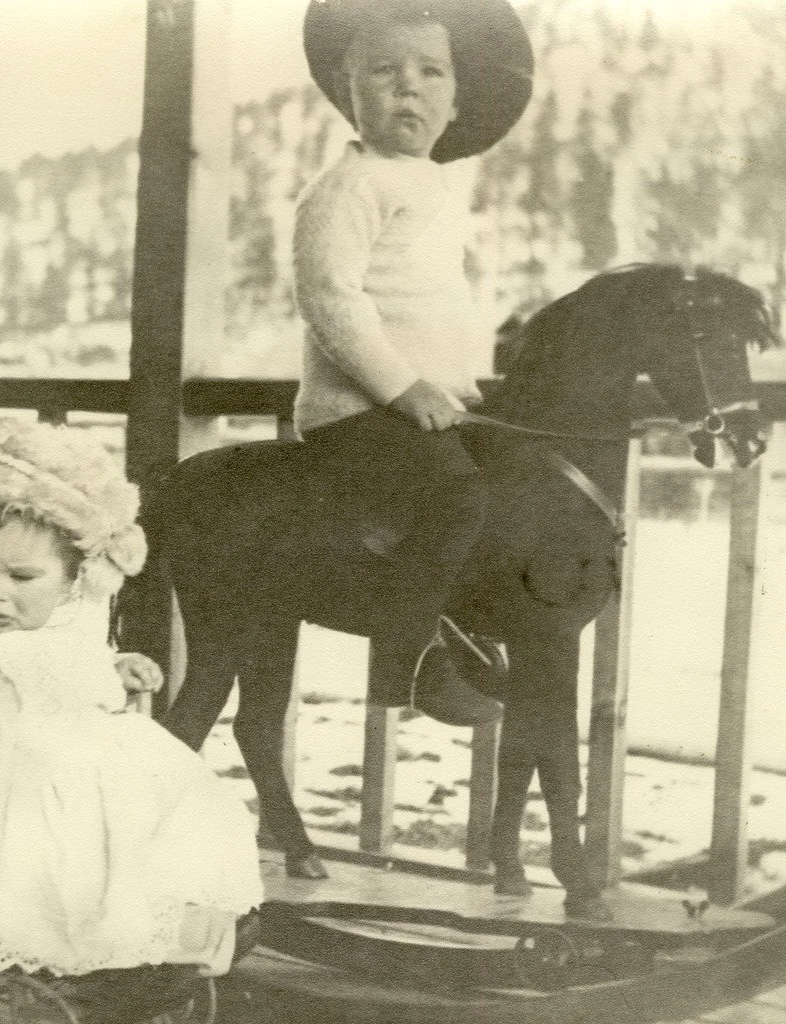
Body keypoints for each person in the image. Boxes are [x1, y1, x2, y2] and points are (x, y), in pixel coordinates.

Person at [0, 417, 263, 990]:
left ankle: (171, 931)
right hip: (21, 789)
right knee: (81, 841)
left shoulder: (71, 627)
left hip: (111, 773)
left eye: (22, 576)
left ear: (71, 579)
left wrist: (113, 673)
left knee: (191, 803)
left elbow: (72, 683)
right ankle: (108, 953)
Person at [294, 0, 533, 729]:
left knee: (514, 483)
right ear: (349, 87)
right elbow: (332, 301)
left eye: (431, 72)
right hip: (359, 413)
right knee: (455, 497)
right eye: (384, 71)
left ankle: (475, 631)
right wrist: (405, 389)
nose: (409, 89)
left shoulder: (430, 185)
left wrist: (459, 384)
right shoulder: (346, 187)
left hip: (429, 403)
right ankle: (406, 666)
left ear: (456, 99)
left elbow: (431, 305)